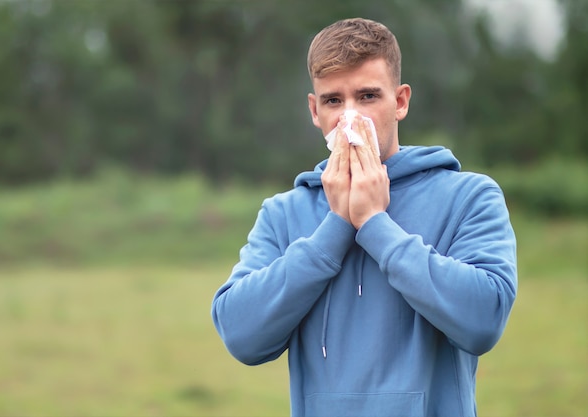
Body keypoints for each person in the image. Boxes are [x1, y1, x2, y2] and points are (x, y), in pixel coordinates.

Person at [211, 17, 517, 417]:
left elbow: (483, 320)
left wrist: (375, 224)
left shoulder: (469, 196)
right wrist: (335, 227)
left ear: (401, 101)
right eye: (333, 101)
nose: (350, 119)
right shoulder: (283, 212)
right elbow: (241, 335)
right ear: (314, 110)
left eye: (368, 96)